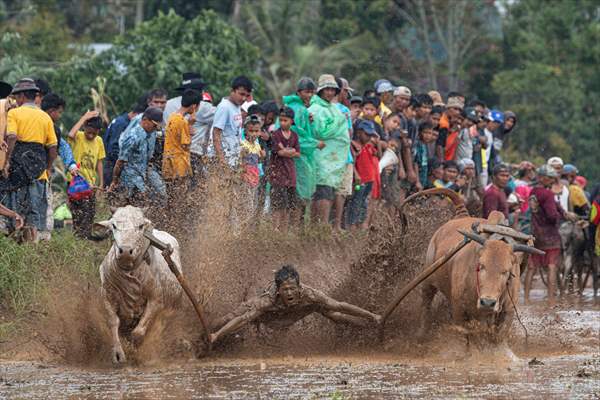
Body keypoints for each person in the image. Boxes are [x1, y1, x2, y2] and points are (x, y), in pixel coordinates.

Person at [208, 265, 382, 345]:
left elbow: (340, 305)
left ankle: (367, 327)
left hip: (298, 310)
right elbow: (242, 319)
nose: (289, 293)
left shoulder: (310, 295)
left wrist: (372, 315)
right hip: (270, 315)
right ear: (279, 291)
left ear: (299, 287)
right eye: (285, 289)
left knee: (336, 315)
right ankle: (204, 333)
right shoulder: (267, 300)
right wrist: (217, 334)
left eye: (292, 288)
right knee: (229, 318)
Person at [1, 79, 57, 242]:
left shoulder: (14, 113)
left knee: (15, 214)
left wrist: (7, 162)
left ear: (23, 96)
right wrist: (48, 167)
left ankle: (14, 245)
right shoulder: (45, 117)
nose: (16, 100)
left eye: (17, 96)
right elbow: (52, 147)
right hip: (38, 171)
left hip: (17, 169)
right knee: (34, 215)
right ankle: (31, 248)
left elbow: (12, 137)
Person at [525, 165, 576, 306]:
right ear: (542, 178)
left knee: (532, 266)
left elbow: (554, 205)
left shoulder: (534, 191)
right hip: (550, 235)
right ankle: (551, 299)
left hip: (535, 233)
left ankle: (527, 298)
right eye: (550, 178)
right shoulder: (547, 194)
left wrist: (563, 212)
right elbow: (552, 215)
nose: (552, 181)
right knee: (552, 266)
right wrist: (562, 217)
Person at [309, 74, 349, 224]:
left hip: (334, 163)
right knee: (322, 194)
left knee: (329, 194)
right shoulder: (316, 109)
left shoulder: (334, 108)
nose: (330, 93)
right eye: (327, 89)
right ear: (321, 91)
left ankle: (321, 227)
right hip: (322, 160)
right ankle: (320, 227)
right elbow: (320, 132)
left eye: (333, 90)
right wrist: (341, 119)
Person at [282, 77, 324, 220]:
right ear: (299, 92)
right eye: (307, 92)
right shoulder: (297, 110)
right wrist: (314, 144)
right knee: (297, 198)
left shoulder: (300, 109)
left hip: (299, 159)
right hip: (297, 160)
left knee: (298, 198)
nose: (310, 95)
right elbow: (293, 136)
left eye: (312, 92)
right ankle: (293, 232)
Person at [109, 107, 166, 205]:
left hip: (144, 171)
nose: (156, 128)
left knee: (161, 194)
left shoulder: (152, 133)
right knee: (136, 203)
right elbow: (120, 161)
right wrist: (114, 181)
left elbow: (163, 134)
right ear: (145, 120)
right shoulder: (132, 138)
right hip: (131, 177)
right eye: (154, 125)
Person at [67, 113, 106, 238]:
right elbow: (70, 134)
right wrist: (84, 117)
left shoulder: (99, 141)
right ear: (84, 127)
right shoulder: (78, 136)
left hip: (91, 184)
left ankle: (86, 238)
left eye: (95, 133)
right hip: (76, 183)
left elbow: (99, 162)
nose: (92, 135)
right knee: (79, 213)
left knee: (90, 213)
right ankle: (79, 238)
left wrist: (101, 182)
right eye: (89, 132)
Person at [162, 89, 202, 210]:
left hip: (168, 161)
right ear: (194, 106)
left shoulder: (172, 116)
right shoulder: (182, 121)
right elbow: (186, 145)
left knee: (171, 195)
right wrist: (190, 126)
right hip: (179, 163)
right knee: (179, 196)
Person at [210, 76, 252, 168]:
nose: (244, 98)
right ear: (232, 91)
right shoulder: (225, 107)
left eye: (247, 95)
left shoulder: (237, 106)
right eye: (241, 94)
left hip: (232, 159)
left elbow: (235, 133)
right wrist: (221, 159)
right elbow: (216, 133)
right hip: (222, 160)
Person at [269, 107, 300, 231]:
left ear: (291, 121)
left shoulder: (294, 136)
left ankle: (284, 229)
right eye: (280, 120)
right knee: (277, 204)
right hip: (278, 174)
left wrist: (287, 151)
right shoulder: (276, 134)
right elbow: (279, 152)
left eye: (285, 120)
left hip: (290, 174)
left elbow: (298, 153)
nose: (282, 123)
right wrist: (290, 151)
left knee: (288, 204)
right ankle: (275, 228)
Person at [103, 103, 145, 188]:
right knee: (112, 194)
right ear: (136, 115)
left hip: (117, 164)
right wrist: (122, 161)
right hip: (113, 165)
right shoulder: (122, 123)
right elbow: (113, 147)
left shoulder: (123, 121)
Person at [346, 120, 379, 229]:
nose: (369, 137)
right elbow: (352, 163)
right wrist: (356, 175)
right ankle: (351, 225)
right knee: (355, 203)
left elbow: (379, 154)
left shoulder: (368, 146)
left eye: (371, 135)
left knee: (363, 204)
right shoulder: (354, 146)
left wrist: (377, 141)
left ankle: (359, 225)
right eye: (367, 134)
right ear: (359, 132)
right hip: (360, 181)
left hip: (369, 181)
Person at [239, 115, 265, 226]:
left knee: (252, 203)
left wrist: (262, 157)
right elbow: (240, 162)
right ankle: (242, 227)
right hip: (245, 179)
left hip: (254, 179)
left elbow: (257, 161)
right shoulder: (243, 144)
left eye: (256, 131)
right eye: (251, 131)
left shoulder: (257, 145)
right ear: (245, 130)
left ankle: (248, 228)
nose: (254, 134)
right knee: (245, 204)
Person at [480, 110, 503, 186]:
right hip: (480, 164)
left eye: (498, 123)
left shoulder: (491, 134)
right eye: (494, 122)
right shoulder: (482, 131)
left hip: (485, 164)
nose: (496, 125)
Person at [413, 121, 436, 191]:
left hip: (422, 180)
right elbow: (415, 163)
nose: (428, 136)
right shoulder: (417, 145)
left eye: (430, 133)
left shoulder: (425, 146)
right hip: (416, 180)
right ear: (420, 133)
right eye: (425, 132)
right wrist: (417, 181)